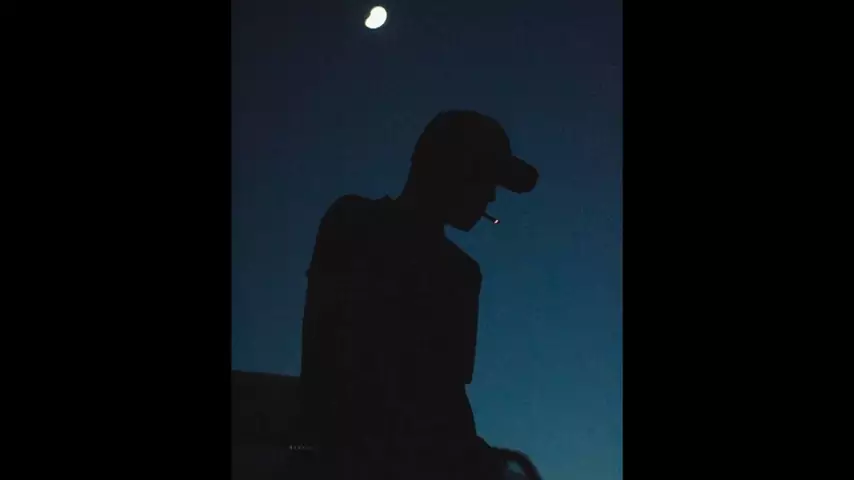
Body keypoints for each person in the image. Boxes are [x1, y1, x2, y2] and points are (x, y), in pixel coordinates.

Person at [299, 110, 539, 479]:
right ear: (453, 168)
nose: (491, 195)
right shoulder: (355, 222)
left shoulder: (461, 273)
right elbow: (337, 371)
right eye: (485, 177)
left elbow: (446, 399)